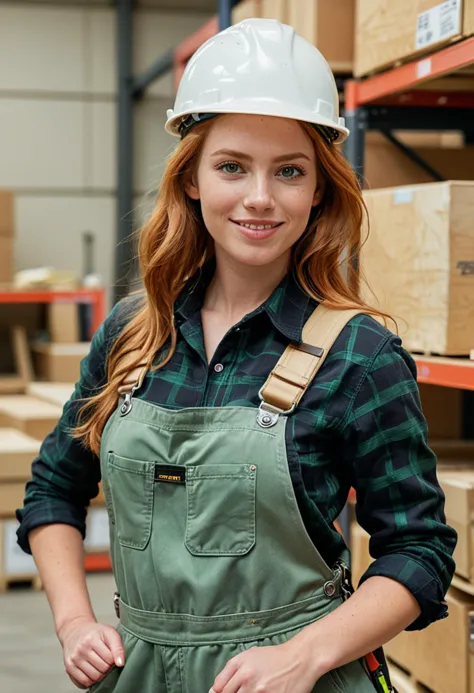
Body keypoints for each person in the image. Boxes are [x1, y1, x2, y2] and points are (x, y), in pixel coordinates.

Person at [16, 18, 456, 693]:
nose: (259, 197)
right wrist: (76, 623)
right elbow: (53, 489)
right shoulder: (133, 337)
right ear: (191, 177)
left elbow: (419, 550)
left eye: (289, 171)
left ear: (318, 190)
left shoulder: (360, 355)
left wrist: (305, 654)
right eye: (231, 167)